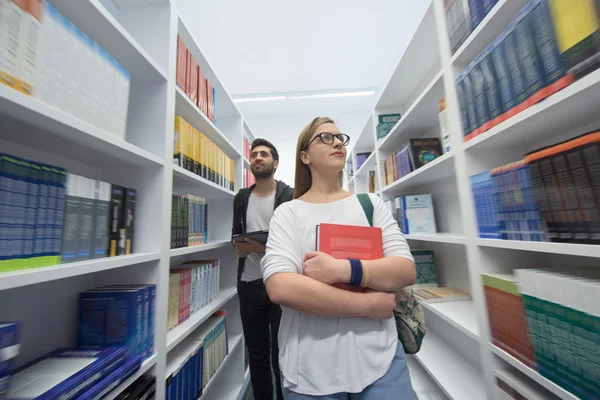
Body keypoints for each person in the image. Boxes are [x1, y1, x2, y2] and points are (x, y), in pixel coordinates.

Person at [260, 117, 416, 399]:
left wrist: (343, 270)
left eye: (339, 138)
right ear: (304, 156)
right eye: (325, 137)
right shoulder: (288, 213)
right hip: (309, 368)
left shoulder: (370, 205)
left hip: (380, 359)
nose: (337, 143)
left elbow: (404, 270)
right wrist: (367, 304)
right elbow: (280, 286)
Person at [232, 138, 293, 400]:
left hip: (279, 286)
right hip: (248, 284)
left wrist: (257, 248)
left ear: (275, 163)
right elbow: (236, 234)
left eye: (264, 154)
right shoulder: (241, 198)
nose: (257, 157)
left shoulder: (289, 196)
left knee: (282, 355)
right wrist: (239, 245)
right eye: (254, 154)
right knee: (256, 355)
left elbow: (293, 245)